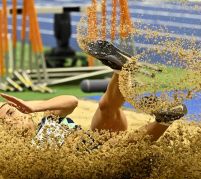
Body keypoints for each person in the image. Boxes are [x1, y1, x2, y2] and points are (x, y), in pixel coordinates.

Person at [0, 40, 187, 149]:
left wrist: (34, 107)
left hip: (93, 140)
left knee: (105, 107)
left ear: (22, 111)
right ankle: (164, 119)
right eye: (2, 122)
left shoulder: (47, 119)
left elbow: (71, 101)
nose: (8, 121)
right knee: (119, 149)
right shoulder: (20, 153)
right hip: (96, 161)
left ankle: (121, 70)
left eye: (10, 113)